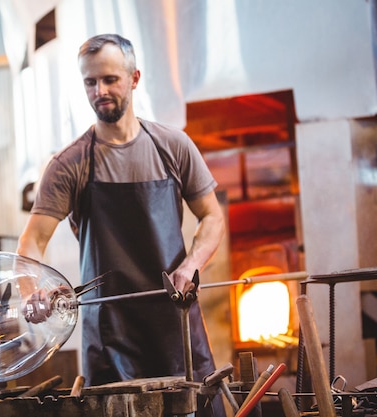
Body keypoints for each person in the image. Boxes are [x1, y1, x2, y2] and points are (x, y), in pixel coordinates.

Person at [17, 33, 226, 415]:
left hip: (174, 325)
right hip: (110, 337)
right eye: (90, 81)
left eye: (110, 79)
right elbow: (32, 242)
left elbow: (212, 217)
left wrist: (190, 266)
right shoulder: (69, 164)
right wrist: (34, 290)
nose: (100, 90)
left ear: (134, 78)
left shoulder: (173, 146)